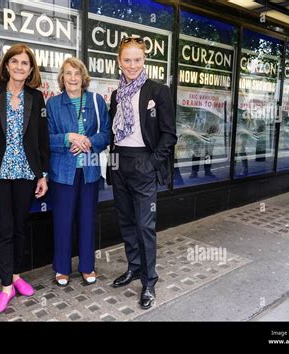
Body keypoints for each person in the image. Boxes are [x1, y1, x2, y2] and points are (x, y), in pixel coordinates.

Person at [0, 44, 49, 315]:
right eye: (14, 62)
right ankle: (6, 286)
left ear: (31, 69)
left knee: (19, 227)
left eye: (25, 63)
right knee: (3, 229)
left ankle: (16, 275)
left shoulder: (36, 98)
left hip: (27, 174)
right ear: (6, 66)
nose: (19, 67)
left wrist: (43, 175)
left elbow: (41, 140)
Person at [109, 37, 177, 309]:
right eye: (127, 59)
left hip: (143, 163)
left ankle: (149, 282)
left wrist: (151, 163)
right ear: (119, 61)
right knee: (126, 222)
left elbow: (169, 135)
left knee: (144, 226)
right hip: (119, 162)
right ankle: (134, 267)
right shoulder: (116, 94)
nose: (132, 65)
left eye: (137, 59)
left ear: (145, 60)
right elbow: (113, 134)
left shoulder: (158, 92)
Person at [47, 57, 110, 286]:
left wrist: (89, 141)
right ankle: (62, 268)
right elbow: (45, 137)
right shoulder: (53, 104)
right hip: (62, 172)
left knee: (87, 220)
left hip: (90, 171)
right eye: (68, 73)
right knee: (63, 221)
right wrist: (68, 138)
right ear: (62, 78)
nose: (73, 78)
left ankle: (87, 266)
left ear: (83, 77)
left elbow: (106, 134)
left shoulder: (96, 101)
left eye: (77, 73)